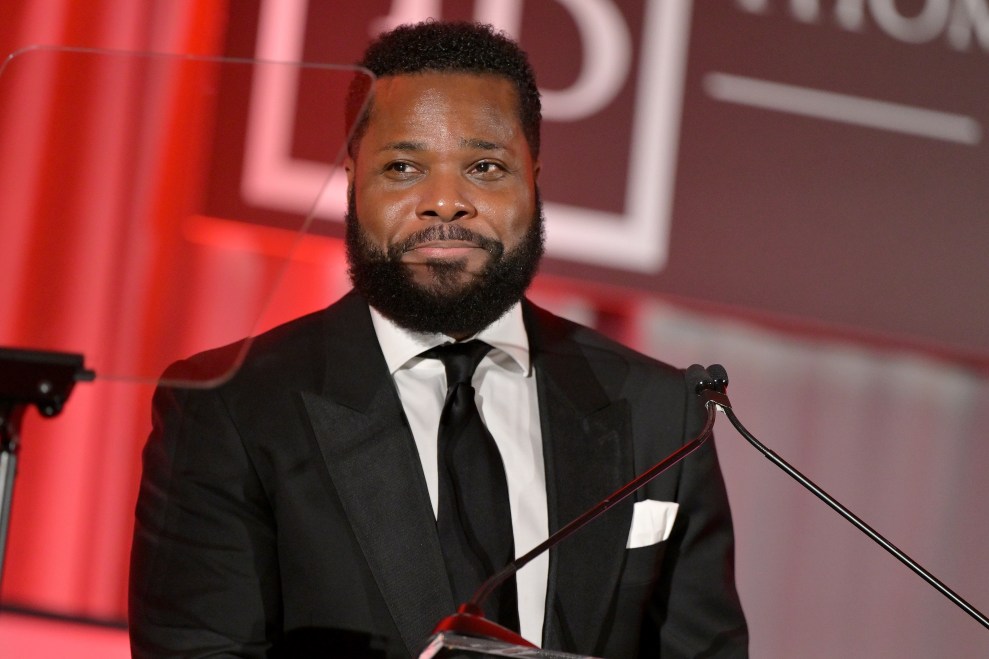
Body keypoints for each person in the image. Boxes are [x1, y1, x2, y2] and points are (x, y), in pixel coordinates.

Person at [129, 20, 747, 659]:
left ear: (534, 178)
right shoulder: (232, 407)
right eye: (403, 167)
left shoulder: (663, 418)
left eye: (484, 166)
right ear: (352, 179)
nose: (445, 202)